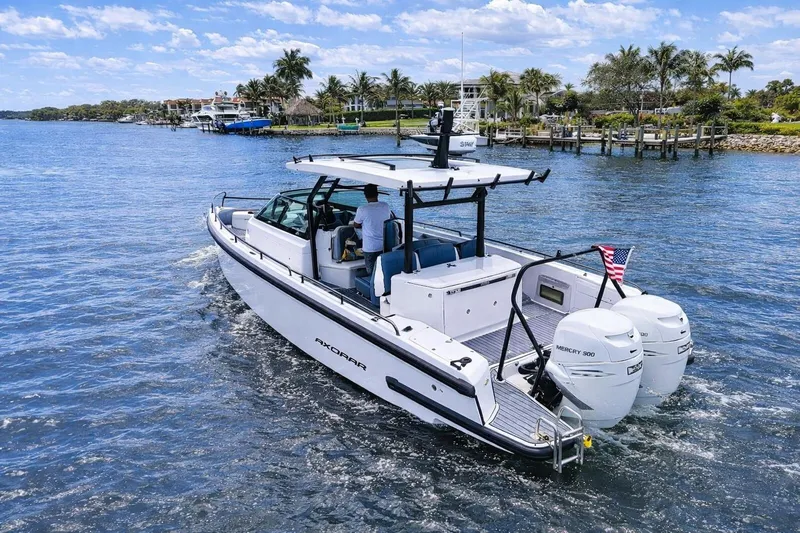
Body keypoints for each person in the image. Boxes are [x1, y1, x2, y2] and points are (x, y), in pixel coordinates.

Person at [353, 184, 390, 275]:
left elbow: (356, 225)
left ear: (365, 195)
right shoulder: (385, 206)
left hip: (370, 248)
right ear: (377, 194)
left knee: (371, 272)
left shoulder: (362, 209)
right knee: (383, 270)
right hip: (384, 245)